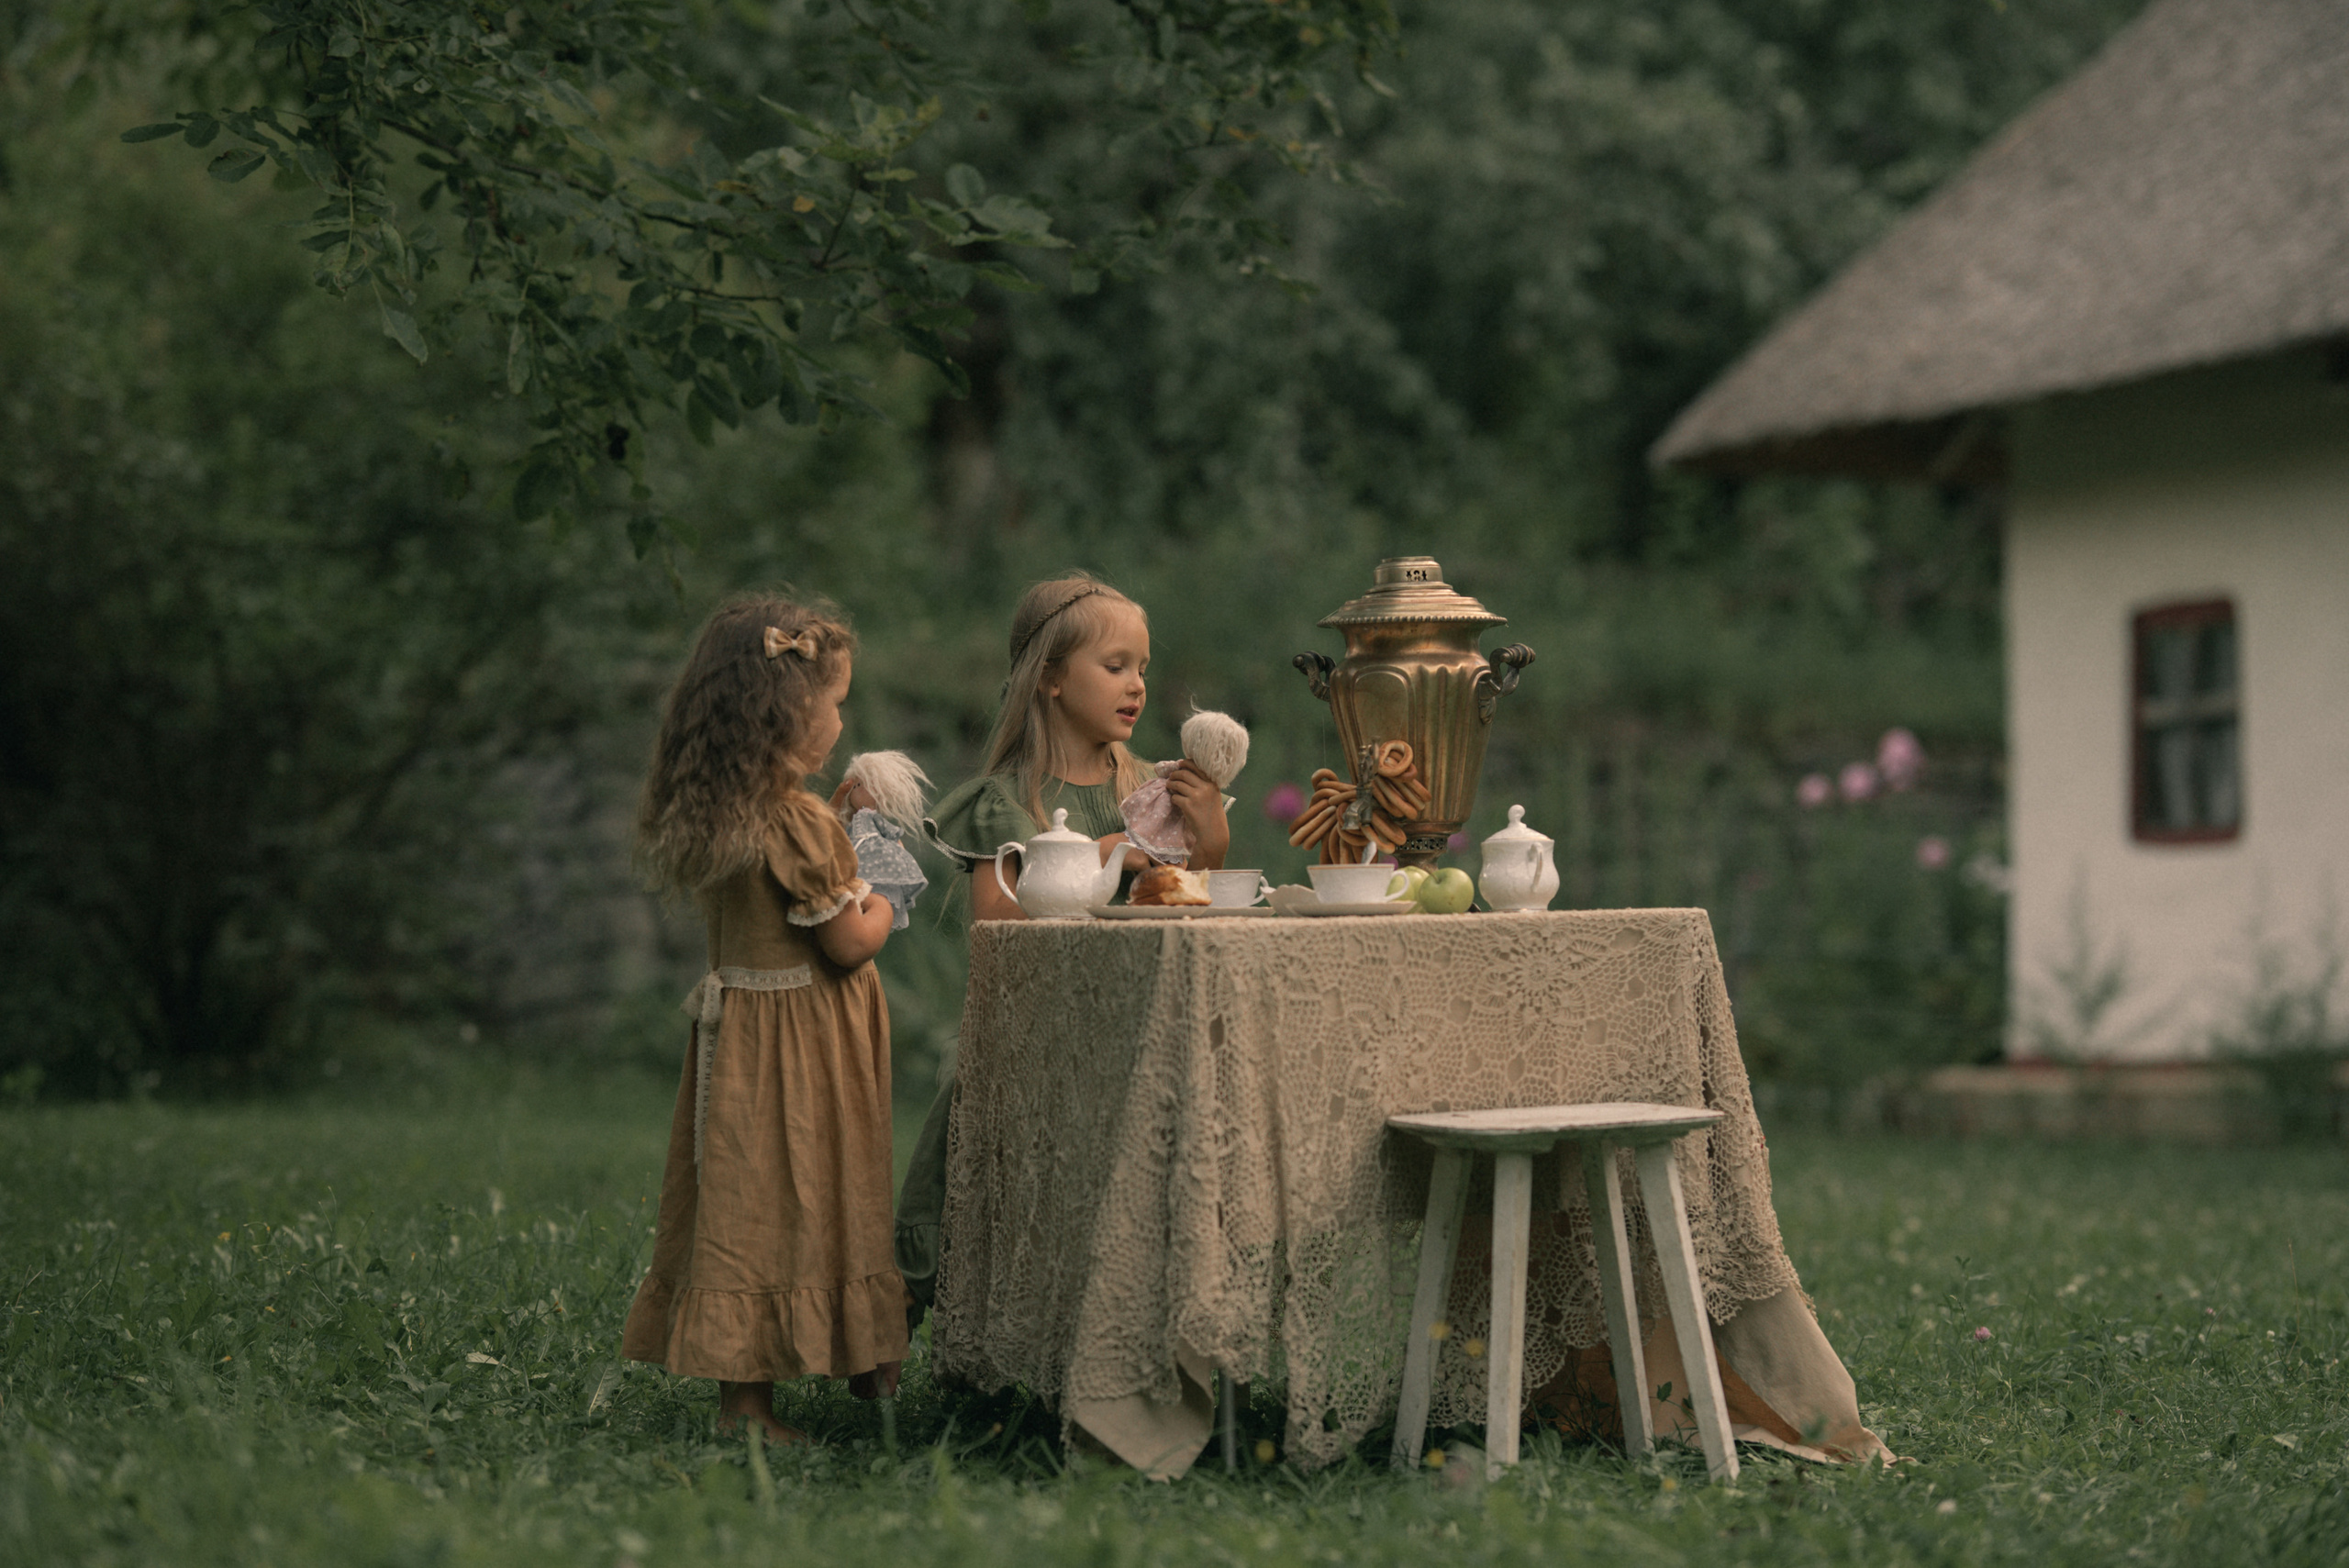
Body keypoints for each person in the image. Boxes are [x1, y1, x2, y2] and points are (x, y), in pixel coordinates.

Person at [896, 573, 1230, 1318]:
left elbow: (1181, 901)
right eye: (1115, 666)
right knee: (967, 1126)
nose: (1137, 685)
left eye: (1142, 667)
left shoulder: (1153, 786)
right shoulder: (1012, 797)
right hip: (1036, 1029)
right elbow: (999, 931)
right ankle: (906, 1304)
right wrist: (1100, 851)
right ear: (1049, 677)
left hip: (1138, 1024)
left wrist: (1208, 839)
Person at [620, 595, 909, 1442]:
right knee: (812, 1194)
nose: (843, 715)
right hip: (802, 1048)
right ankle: (759, 1407)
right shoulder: (794, 820)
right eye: (836, 699)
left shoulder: (738, 810)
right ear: (792, 711)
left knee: (755, 1203)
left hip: (746, 1039)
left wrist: (844, 828)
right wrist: (884, 877)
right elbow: (851, 941)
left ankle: (793, 1380)